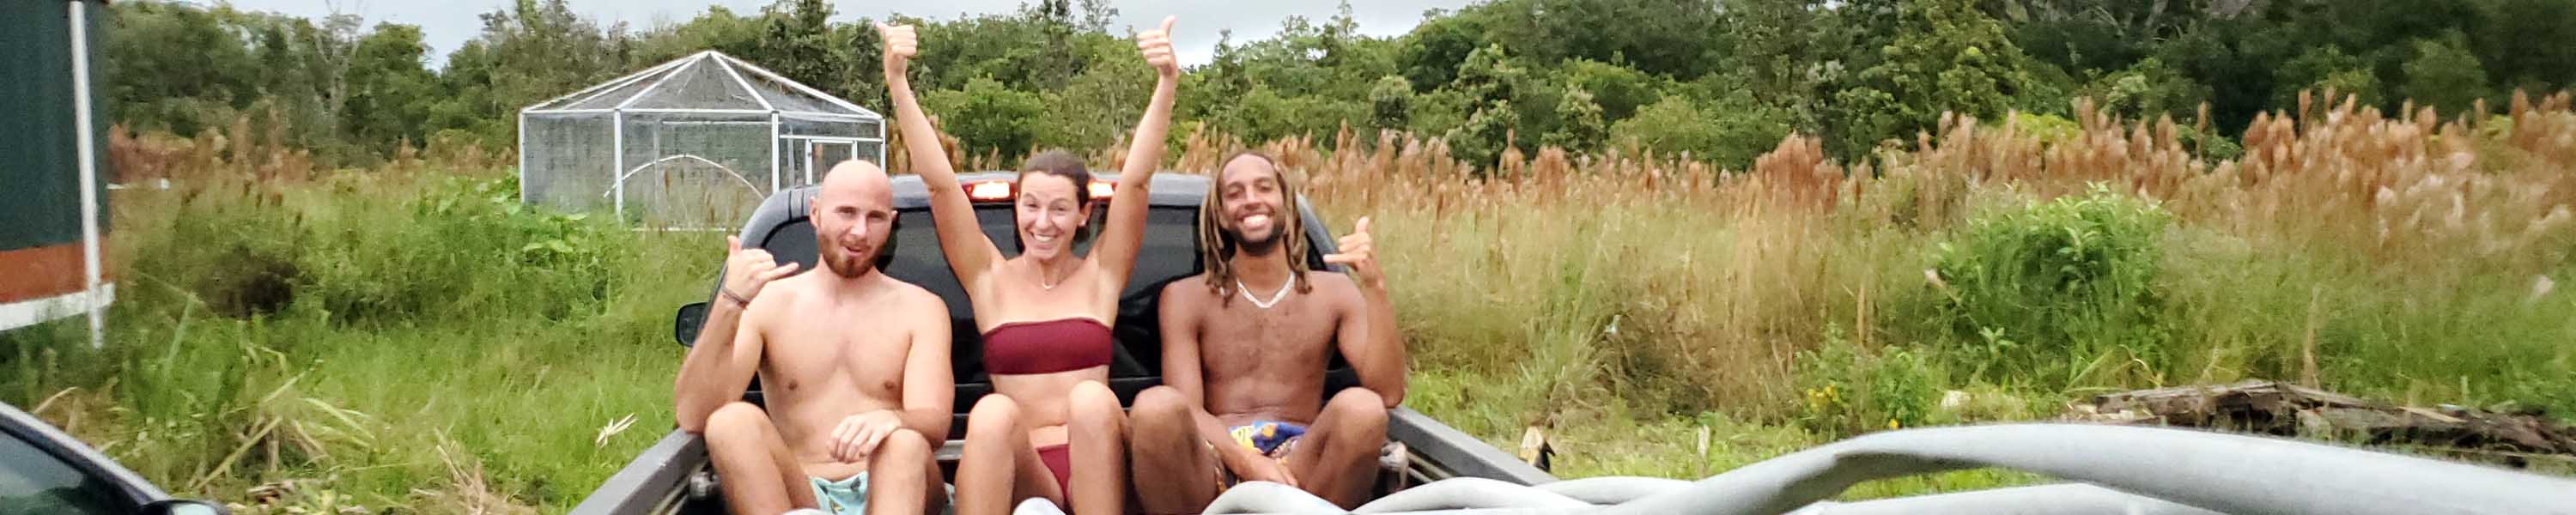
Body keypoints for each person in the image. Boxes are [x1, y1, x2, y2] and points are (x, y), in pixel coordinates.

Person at [876, 15, 1182, 515]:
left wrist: (1166, 83)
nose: (1043, 222)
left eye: (1060, 209)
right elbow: (939, 186)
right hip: (1021, 470)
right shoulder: (989, 278)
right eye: (1031, 206)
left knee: (1090, 400)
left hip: (1099, 469)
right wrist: (898, 83)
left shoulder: (1101, 276)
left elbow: (1138, 183)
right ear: (1017, 210)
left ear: (1084, 214)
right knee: (994, 410)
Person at [671, 161, 956, 515]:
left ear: (892, 223)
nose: (859, 232)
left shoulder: (922, 307)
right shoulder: (769, 303)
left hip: (900, 488)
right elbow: (694, 416)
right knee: (731, 422)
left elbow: (935, 422)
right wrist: (730, 302)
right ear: (816, 213)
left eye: (876, 217)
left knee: (904, 444)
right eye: (846, 213)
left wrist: (894, 419)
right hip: (804, 492)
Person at [1128, 152, 1406, 512]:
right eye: (1235, 193)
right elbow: (1189, 410)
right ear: (1222, 216)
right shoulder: (1186, 298)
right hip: (1215, 458)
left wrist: (1375, 287)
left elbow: (1387, 392)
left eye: (1263, 187)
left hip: (1301, 462)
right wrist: (1247, 462)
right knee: (1155, 406)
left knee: (1363, 409)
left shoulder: (1335, 293)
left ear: (1286, 203)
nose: (1251, 200)